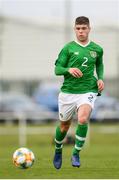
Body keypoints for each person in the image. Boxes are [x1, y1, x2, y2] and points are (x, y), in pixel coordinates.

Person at [53, 16, 104, 169]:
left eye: (84, 28)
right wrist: (68, 69)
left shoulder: (97, 49)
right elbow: (57, 70)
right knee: (64, 126)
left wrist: (100, 78)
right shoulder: (68, 48)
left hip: (88, 90)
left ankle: (76, 153)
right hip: (68, 92)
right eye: (78, 28)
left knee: (82, 119)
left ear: (89, 29)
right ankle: (58, 150)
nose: (81, 31)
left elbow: (100, 65)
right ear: (75, 29)